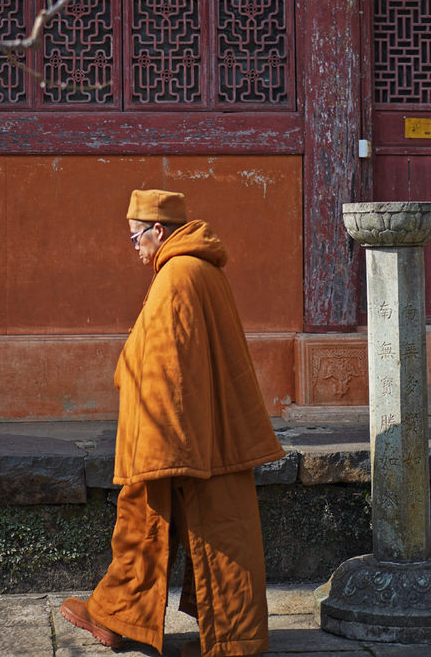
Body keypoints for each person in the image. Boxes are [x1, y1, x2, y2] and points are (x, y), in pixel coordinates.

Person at [61, 189, 285, 657]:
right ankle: (143, 622)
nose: (135, 247)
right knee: (206, 526)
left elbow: (166, 367)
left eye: (136, 237)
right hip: (213, 428)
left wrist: (161, 446)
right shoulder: (202, 268)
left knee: (172, 524)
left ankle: (215, 640)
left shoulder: (176, 275)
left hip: (175, 434)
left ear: (158, 230)